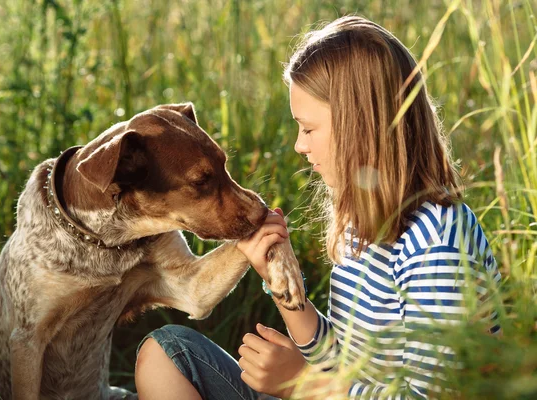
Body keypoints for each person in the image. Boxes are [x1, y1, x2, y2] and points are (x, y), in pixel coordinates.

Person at [134, 15, 500, 399]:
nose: (299, 145)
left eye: (308, 129)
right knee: (168, 352)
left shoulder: (435, 243)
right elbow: (343, 363)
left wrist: (302, 384)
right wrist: (285, 289)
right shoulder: (363, 222)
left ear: (360, 125)